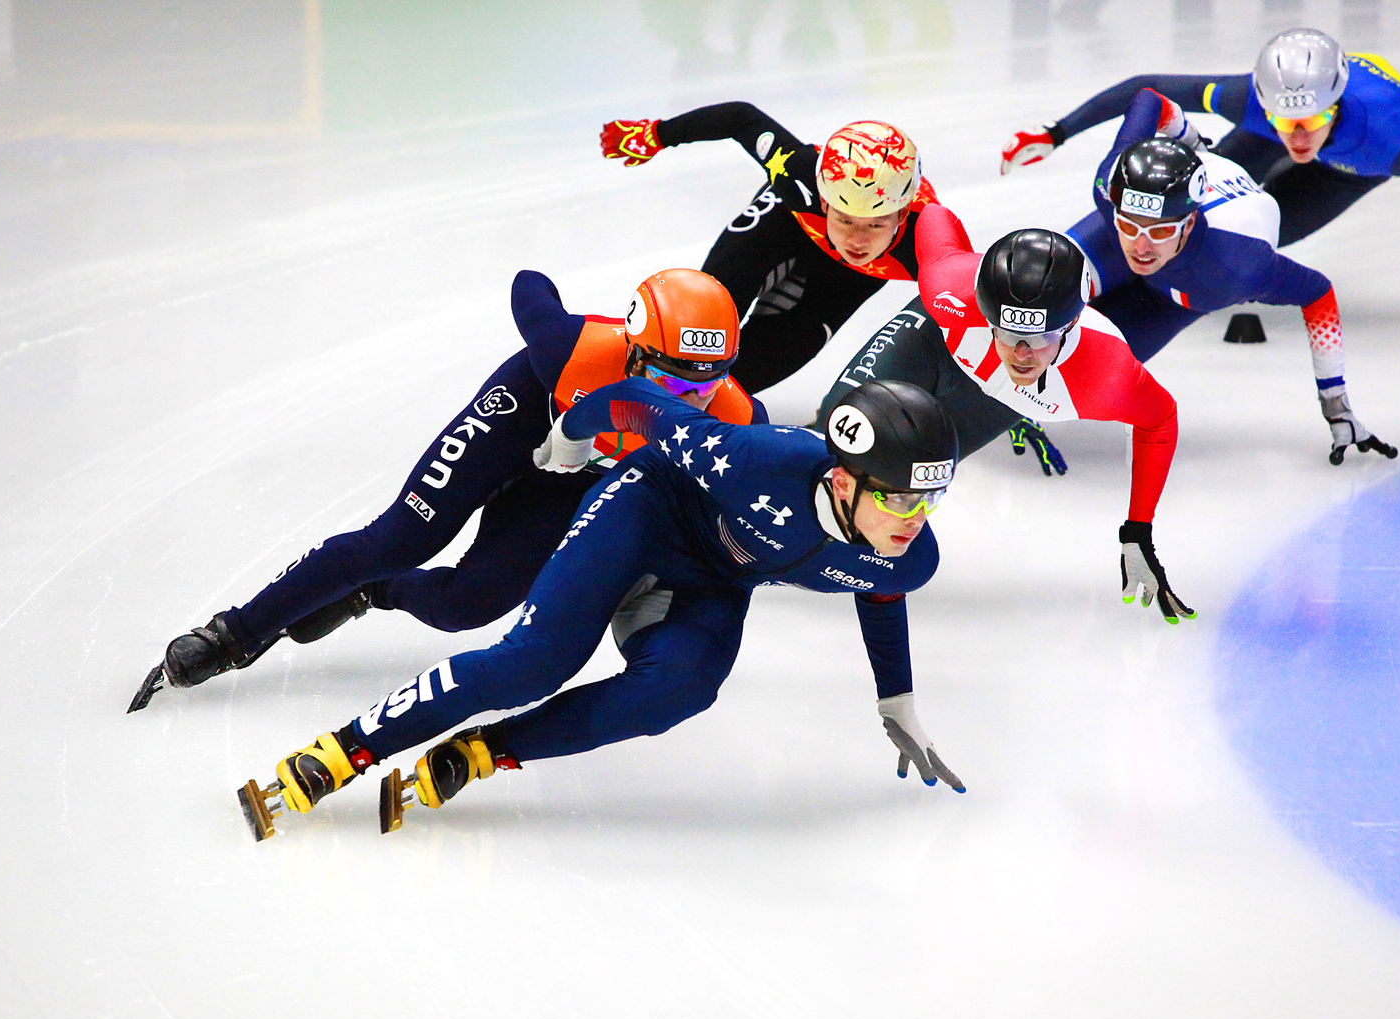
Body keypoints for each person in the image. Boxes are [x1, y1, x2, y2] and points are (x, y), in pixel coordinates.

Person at [236, 378, 966, 841]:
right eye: (900, 498)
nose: (914, 518)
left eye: (929, 499)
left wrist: (896, 698)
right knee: (533, 664)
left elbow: (882, 588)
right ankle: (348, 747)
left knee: (683, 689)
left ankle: (487, 751)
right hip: (646, 510)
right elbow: (637, 400)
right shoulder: (754, 461)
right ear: (842, 481)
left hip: (710, 578)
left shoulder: (909, 553)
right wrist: (571, 434)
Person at [131, 268, 765, 712]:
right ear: (631, 350)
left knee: (470, 604)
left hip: (574, 475)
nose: (687, 401)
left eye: (708, 382)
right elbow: (529, 285)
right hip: (522, 415)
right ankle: (234, 632)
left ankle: (373, 592)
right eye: (670, 380)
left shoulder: (738, 421)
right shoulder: (569, 349)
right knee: (398, 539)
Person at [997, 27, 1400, 341]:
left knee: (1267, 234)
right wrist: (1055, 132)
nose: (1296, 137)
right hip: (1265, 134)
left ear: (1335, 104)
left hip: (1354, 164)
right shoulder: (1257, 104)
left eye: (1309, 122)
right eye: (1284, 120)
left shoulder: (1392, 139)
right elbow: (1149, 86)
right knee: (1195, 203)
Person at [819, 204, 1195, 624]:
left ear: (1071, 325)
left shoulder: (1103, 374)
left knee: (911, 477)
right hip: (936, 340)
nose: (1021, 353)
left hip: (1005, 400)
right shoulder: (950, 291)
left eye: (1041, 337)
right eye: (1009, 331)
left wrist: (1138, 532)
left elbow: (1160, 419)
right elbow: (934, 216)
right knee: (834, 432)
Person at [1058, 88, 1396, 464]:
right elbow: (1149, 99)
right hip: (1177, 256)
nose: (1141, 246)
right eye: (1131, 224)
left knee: (1078, 373)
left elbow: (1317, 292)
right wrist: (1189, 140)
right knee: (1047, 282)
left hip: (1183, 290)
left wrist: (1335, 403)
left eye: (1160, 231)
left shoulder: (1238, 266)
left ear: (1188, 224)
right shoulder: (1111, 187)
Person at [600, 104, 938, 392]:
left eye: (875, 225)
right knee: (703, 321)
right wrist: (657, 134)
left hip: (848, 280)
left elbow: (966, 318)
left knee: (748, 376)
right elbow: (741, 118)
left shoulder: (929, 241)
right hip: (786, 226)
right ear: (823, 201)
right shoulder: (798, 176)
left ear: (902, 215)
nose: (857, 240)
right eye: (846, 219)